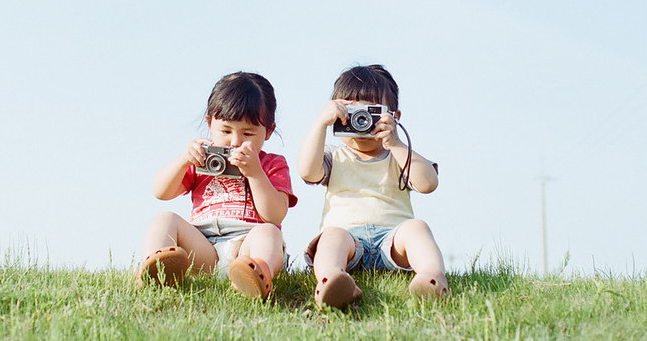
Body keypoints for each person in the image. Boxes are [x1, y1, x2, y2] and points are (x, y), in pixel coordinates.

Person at [298, 64, 450, 308]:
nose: (361, 121)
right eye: (352, 112)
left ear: (394, 118)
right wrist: (320, 124)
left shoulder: (400, 155)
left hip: (392, 240)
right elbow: (307, 170)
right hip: (347, 241)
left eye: (370, 112)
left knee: (417, 228)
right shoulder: (335, 156)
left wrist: (396, 143)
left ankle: (431, 278)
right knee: (331, 236)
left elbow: (428, 183)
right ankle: (332, 279)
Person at [136, 72, 297, 300]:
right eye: (226, 131)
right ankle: (157, 268)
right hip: (203, 246)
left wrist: (255, 173)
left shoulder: (271, 164)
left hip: (246, 245)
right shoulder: (201, 159)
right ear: (209, 123)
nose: (235, 141)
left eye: (248, 133)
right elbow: (161, 192)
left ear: (269, 131)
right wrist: (183, 161)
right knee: (165, 219)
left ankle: (257, 275)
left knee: (268, 233)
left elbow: (275, 216)